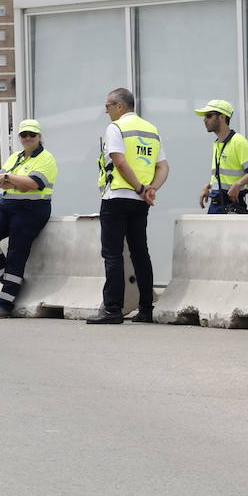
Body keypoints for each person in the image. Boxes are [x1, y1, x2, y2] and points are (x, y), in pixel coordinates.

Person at [88, 89, 169, 325]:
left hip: (117, 198)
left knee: (112, 254)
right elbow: (163, 167)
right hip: (139, 203)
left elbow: (119, 160)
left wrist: (139, 188)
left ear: (120, 106)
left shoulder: (116, 128)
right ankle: (146, 309)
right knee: (140, 253)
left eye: (108, 105)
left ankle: (113, 308)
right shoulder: (151, 130)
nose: (106, 110)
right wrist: (151, 188)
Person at [0, 119, 57, 319]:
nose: (28, 138)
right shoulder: (15, 157)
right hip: (7, 207)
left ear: (39, 136)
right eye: (24, 135)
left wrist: (9, 178)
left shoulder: (46, 159)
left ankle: (4, 303)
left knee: (16, 252)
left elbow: (33, 183)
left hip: (32, 209)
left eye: (32, 134)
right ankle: (11, 282)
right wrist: (12, 180)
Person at [194, 99, 248, 214]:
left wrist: (238, 184)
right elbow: (223, 174)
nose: (204, 120)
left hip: (231, 205)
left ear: (222, 117)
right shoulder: (217, 143)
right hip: (217, 203)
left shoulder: (238, 141)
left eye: (208, 116)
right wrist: (209, 186)